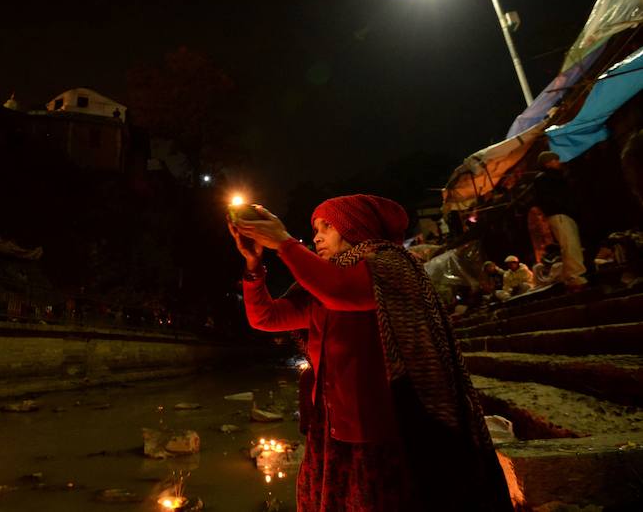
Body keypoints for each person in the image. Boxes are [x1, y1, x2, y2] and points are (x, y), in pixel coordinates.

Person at [228, 194, 512, 511]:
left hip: (377, 427)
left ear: (355, 227)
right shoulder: (321, 282)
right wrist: (254, 266)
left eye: (327, 226)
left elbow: (339, 291)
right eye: (315, 228)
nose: (317, 236)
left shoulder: (390, 265)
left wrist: (283, 242)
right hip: (331, 422)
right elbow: (265, 317)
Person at [534, 151, 588, 288]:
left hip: (564, 214)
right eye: (555, 160)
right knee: (569, 245)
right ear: (548, 163)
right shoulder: (545, 178)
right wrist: (563, 206)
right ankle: (575, 276)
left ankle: (572, 275)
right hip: (559, 214)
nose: (558, 162)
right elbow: (550, 199)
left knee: (571, 244)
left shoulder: (553, 177)